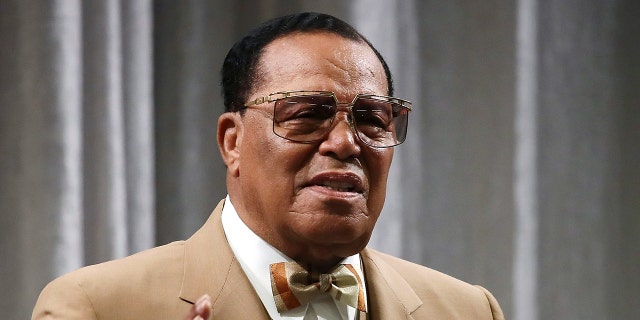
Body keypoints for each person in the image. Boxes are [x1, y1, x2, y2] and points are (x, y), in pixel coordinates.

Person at [32, 12, 504, 320]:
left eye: (372, 119)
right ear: (231, 142)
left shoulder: (468, 310)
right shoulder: (96, 307)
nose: (344, 142)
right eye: (306, 114)